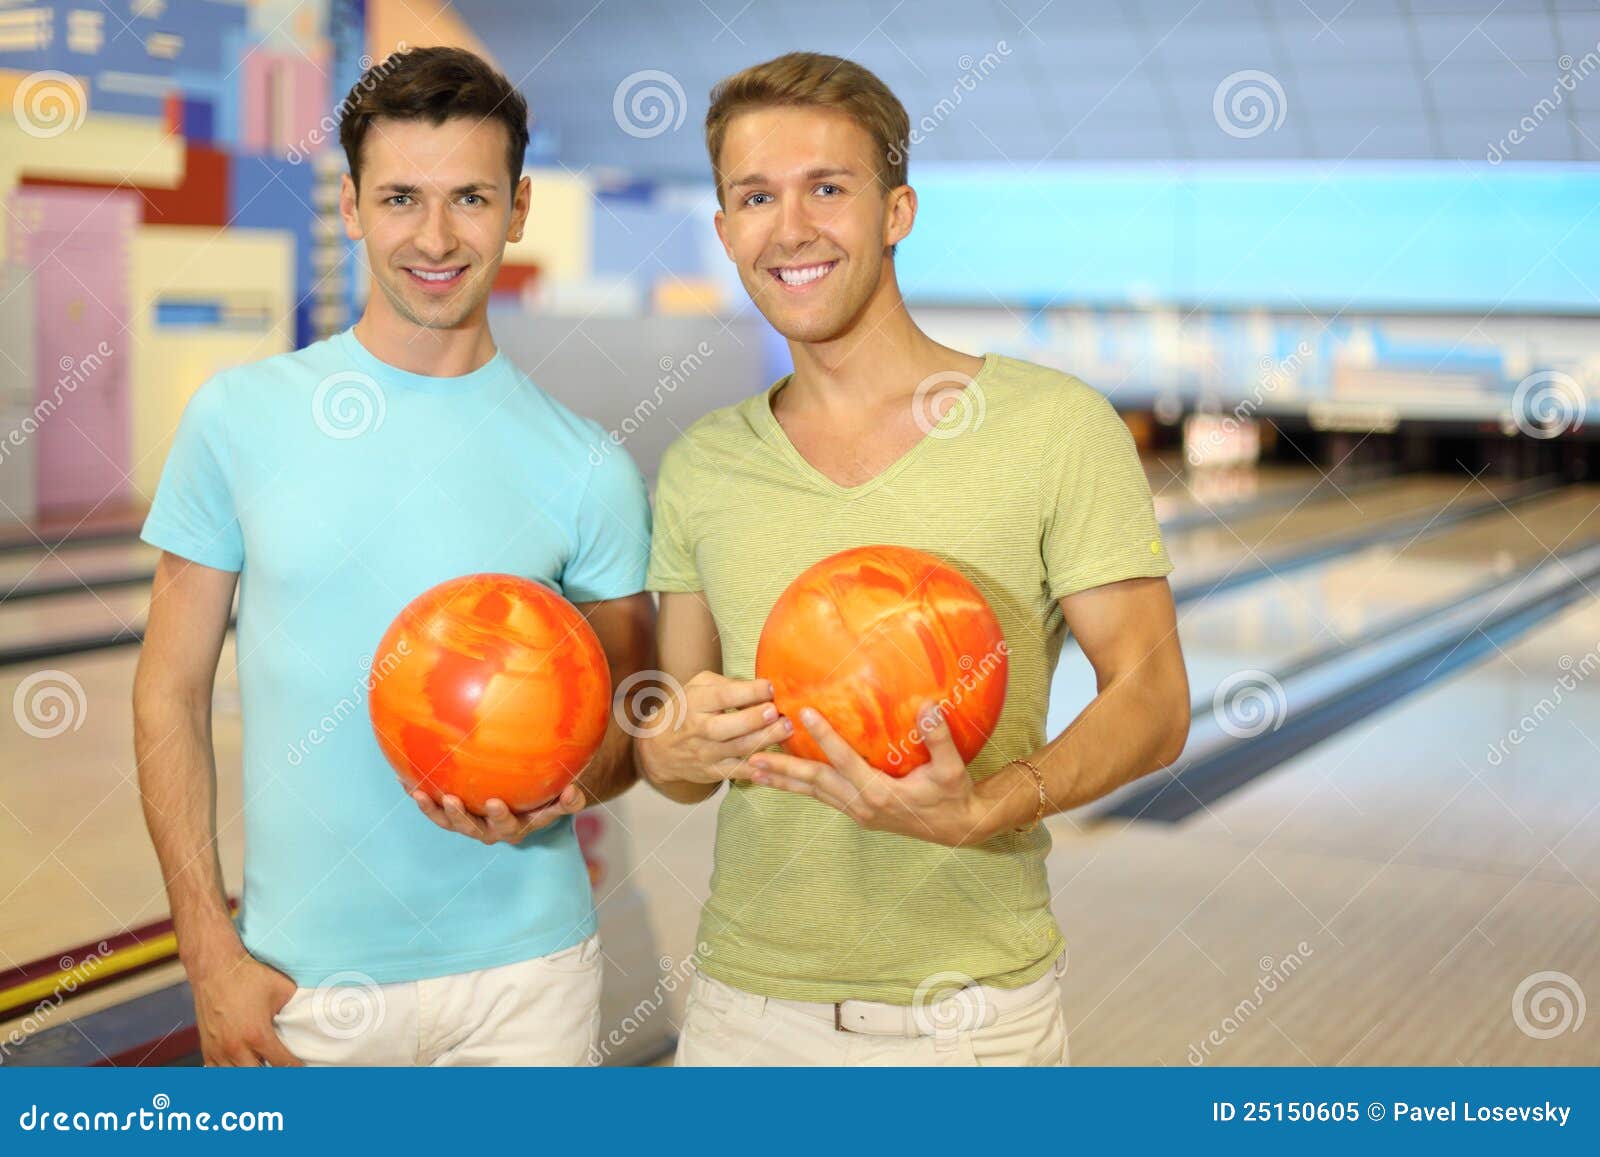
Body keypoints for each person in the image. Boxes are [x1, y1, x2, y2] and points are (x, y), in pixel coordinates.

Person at [637, 52, 1191, 1066]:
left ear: (897, 211)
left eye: (828, 188)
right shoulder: (701, 466)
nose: (790, 226)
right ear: (723, 230)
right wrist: (665, 748)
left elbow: (1153, 697)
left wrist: (994, 799)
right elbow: (676, 742)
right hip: (742, 1014)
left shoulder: (1052, 427)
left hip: (970, 1022)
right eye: (755, 195)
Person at [133, 46, 654, 1066]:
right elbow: (167, 691)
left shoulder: (588, 464)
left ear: (518, 208)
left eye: (470, 197)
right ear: (353, 208)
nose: (435, 236)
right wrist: (206, 948)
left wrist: (567, 790)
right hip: (304, 980)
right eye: (402, 197)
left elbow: (628, 725)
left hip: (530, 982)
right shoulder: (240, 418)